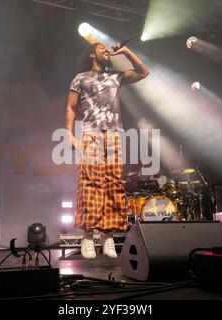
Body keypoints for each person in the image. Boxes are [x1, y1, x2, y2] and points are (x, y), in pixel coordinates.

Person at [65, 42, 149, 259]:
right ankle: (87, 236)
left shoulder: (116, 77)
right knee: (90, 181)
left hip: (113, 135)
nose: (106, 50)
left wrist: (126, 52)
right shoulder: (80, 78)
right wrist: (69, 133)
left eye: (106, 48)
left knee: (113, 182)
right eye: (101, 48)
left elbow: (144, 71)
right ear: (92, 53)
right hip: (91, 133)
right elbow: (71, 108)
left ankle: (108, 236)